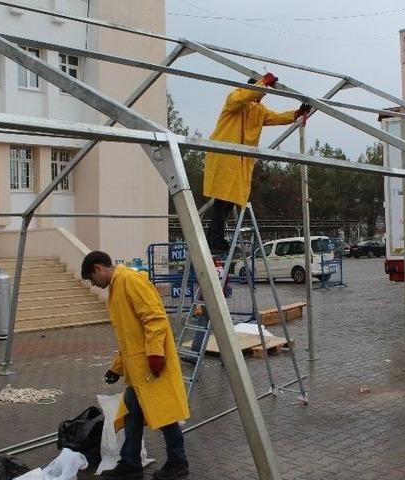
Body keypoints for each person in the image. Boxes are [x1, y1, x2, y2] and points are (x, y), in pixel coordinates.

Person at [82, 251, 190, 480]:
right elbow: (128, 336)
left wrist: (155, 354)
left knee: (165, 414)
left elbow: (154, 318)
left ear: (98, 268)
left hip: (151, 366)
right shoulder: (118, 286)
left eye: (92, 279)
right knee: (132, 413)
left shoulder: (129, 280)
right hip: (140, 369)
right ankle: (131, 463)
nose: (94, 284)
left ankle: (177, 462)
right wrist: (117, 367)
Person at [203, 73, 311, 254]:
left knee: (228, 202)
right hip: (225, 156)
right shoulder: (235, 98)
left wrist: (296, 114)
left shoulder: (259, 111)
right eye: (260, 91)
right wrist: (262, 84)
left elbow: (277, 117)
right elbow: (243, 98)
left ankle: (215, 240)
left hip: (240, 160)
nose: (262, 96)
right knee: (222, 201)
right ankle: (214, 241)